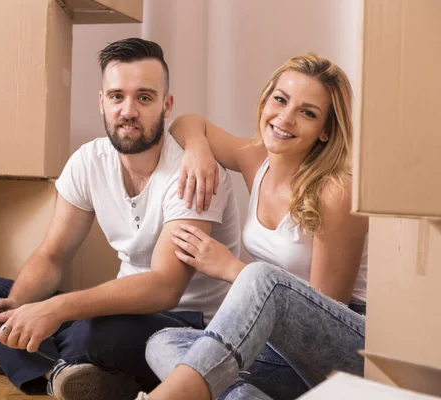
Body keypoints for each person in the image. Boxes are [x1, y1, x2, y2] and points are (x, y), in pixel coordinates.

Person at [0, 38, 242, 400]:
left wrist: (55, 309)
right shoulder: (88, 162)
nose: (129, 110)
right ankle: (55, 368)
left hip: (186, 325)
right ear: (101, 102)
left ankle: (28, 356)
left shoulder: (193, 172)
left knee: (92, 331)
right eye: (117, 96)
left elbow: (166, 287)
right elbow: (52, 255)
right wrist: (21, 306)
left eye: (145, 97)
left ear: (166, 105)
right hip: (122, 308)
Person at [138, 53, 369, 400]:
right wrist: (198, 151)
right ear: (265, 101)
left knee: (263, 278)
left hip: (350, 352)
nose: (285, 118)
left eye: (308, 113)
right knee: (164, 341)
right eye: (281, 99)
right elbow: (186, 123)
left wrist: (232, 269)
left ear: (325, 132)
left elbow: (324, 309)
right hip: (283, 348)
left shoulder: (336, 191)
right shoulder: (255, 161)